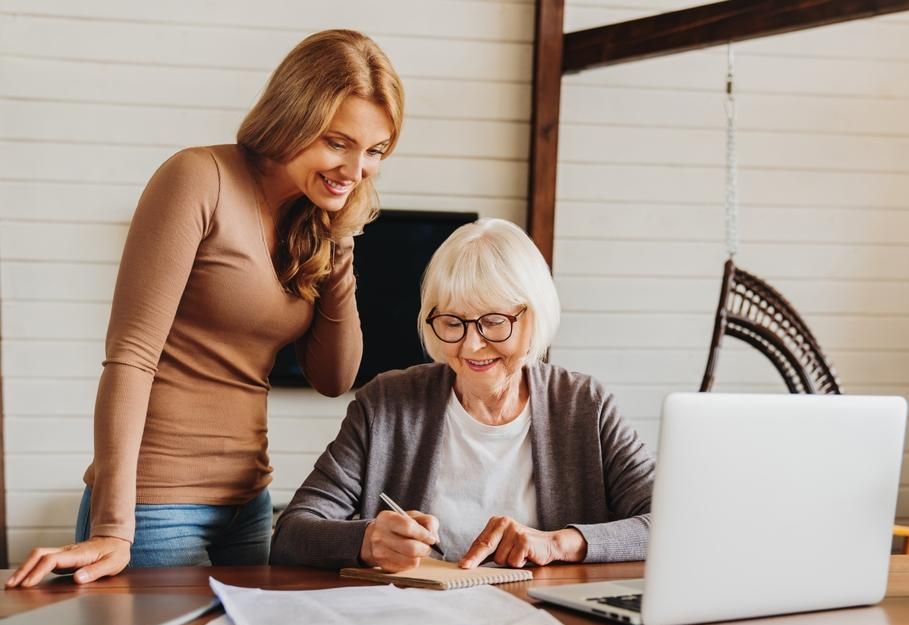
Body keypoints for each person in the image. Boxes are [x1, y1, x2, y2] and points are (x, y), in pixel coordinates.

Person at [7, 30, 404, 588]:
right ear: (293, 118)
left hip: (249, 502)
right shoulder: (199, 179)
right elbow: (131, 356)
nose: (356, 168)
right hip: (156, 506)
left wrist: (341, 242)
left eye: (375, 151)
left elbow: (335, 378)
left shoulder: (314, 221)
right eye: (338, 143)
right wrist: (114, 527)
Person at [270, 219, 654, 572]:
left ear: (533, 316)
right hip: (417, 624)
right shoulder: (386, 404)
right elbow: (291, 534)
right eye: (452, 322)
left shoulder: (584, 405)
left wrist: (560, 543)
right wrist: (366, 540)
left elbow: (669, 522)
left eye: (493, 322)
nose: (471, 345)